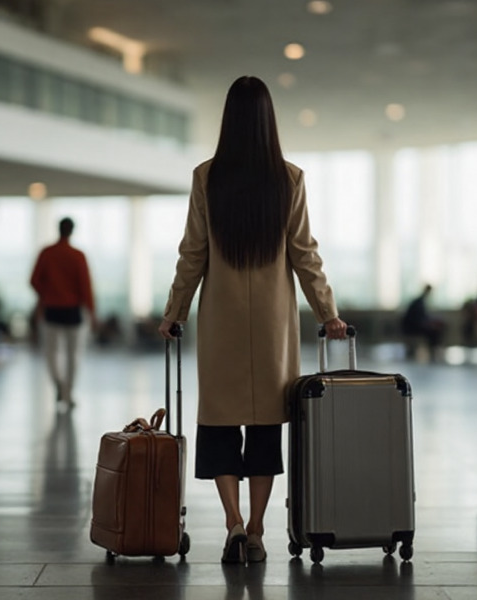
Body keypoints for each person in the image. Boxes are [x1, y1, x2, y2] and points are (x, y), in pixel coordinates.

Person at [157, 76, 347, 565]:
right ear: (269, 121)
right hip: (271, 328)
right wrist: (329, 314)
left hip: (220, 321)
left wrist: (174, 312)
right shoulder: (289, 178)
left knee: (220, 426)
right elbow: (305, 255)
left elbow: (192, 255)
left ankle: (234, 523)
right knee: (265, 428)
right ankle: (260, 530)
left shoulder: (206, 177)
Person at [30, 217, 96, 407]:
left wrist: (46, 294)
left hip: (51, 308)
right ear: (72, 231)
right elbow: (86, 287)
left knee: (52, 352)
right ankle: (68, 392)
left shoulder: (47, 253)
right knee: (73, 354)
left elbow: (34, 280)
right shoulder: (77, 256)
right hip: (73, 310)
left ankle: (58, 383)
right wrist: (91, 312)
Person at [400, 284, 445, 361]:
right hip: (412, 327)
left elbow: (423, 317)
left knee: (435, 328)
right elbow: (419, 319)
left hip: (413, 325)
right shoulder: (419, 302)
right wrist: (430, 324)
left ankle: (434, 350)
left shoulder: (420, 301)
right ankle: (433, 351)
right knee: (434, 331)